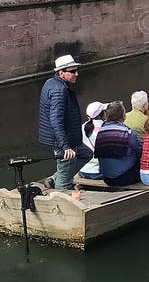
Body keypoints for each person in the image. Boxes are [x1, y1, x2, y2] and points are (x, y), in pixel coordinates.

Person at [38, 54, 93, 190]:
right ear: (61, 73)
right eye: (72, 71)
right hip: (64, 140)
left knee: (87, 154)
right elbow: (55, 120)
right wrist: (65, 146)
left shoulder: (51, 83)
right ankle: (61, 196)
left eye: (76, 70)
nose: (77, 74)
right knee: (65, 176)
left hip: (67, 138)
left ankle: (53, 179)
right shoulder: (59, 90)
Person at [93, 101, 142, 187]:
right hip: (123, 178)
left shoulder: (100, 132)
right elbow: (140, 153)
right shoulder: (128, 133)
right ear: (123, 116)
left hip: (106, 179)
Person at [78, 100, 107, 180]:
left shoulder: (82, 128)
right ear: (101, 115)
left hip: (82, 171)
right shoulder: (106, 129)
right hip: (99, 173)